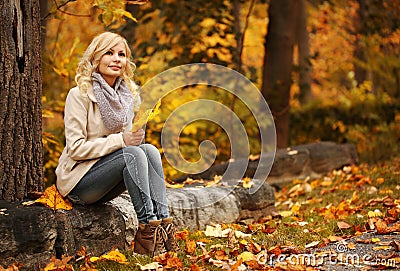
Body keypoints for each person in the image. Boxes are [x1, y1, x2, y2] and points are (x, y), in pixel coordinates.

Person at [55, 32, 178, 257]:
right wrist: (121, 140)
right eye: (109, 53)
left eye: (121, 54)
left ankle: (162, 224)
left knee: (148, 150)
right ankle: (146, 230)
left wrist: (133, 136)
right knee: (132, 154)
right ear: (96, 58)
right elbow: (75, 148)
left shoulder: (127, 97)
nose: (116, 59)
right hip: (79, 183)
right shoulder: (79, 95)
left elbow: (128, 147)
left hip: (106, 181)